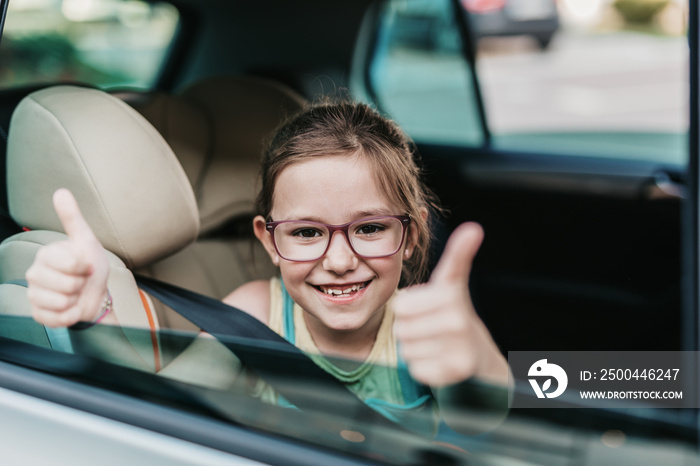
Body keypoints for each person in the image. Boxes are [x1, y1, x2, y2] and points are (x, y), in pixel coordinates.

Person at [25, 100, 510, 435]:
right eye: (305, 233)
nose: (339, 261)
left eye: (369, 229)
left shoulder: (421, 324)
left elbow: (483, 418)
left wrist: (477, 363)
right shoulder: (255, 314)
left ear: (413, 235)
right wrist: (96, 315)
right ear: (269, 240)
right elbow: (162, 402)